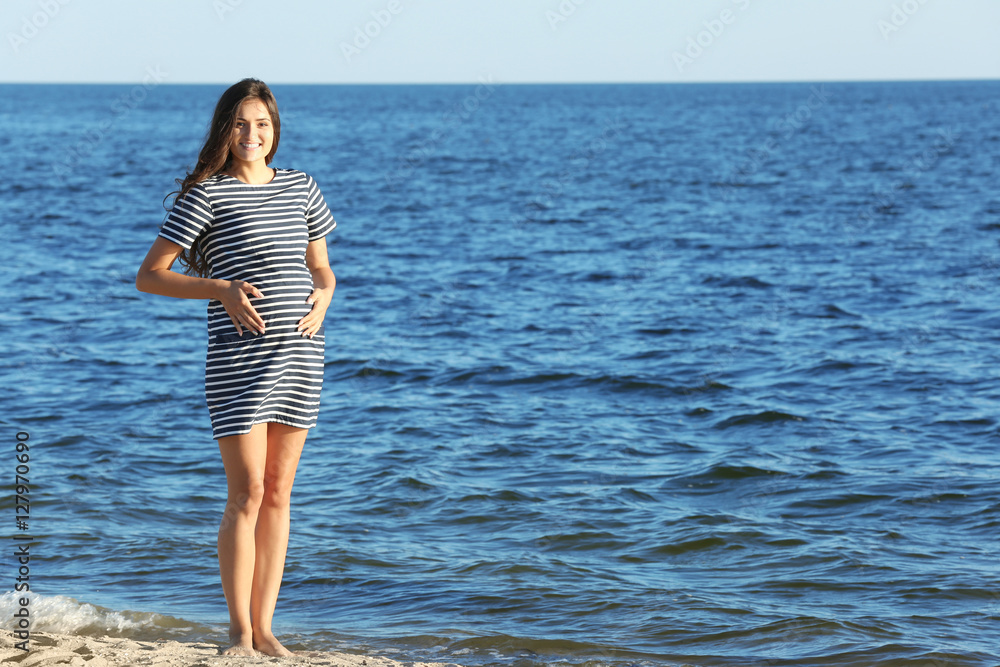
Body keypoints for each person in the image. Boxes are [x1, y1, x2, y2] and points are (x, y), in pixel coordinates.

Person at [135, 78, 337, 657]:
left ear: (275, 130)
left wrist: (325, 293)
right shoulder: (207, 195)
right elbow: (150, 275)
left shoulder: (301, 186)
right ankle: (238, 632)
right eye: (242, 124)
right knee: (246, 493)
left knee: (278, 493)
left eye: (263, 124)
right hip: (238, 360)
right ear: (226, 130)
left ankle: (266, 629)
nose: (253, 134)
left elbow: (321, 268)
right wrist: (220, 288)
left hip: (300, 354)